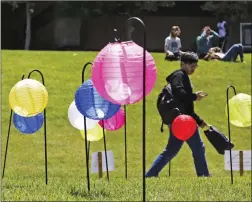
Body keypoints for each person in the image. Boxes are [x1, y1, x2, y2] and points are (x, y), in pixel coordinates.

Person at [145, 52, 210, 178]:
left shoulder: (182, 76)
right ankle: (203, 176)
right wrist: (194, 96)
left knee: (172, 150)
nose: (193, 68)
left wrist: (199, 120)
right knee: (198, 147)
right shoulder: (179, 75)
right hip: (182, 121)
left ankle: (150, 175)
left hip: (180, 119)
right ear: (183, 64)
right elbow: (180, 93)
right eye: (191, 65)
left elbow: (186, 105)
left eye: (195, 66)